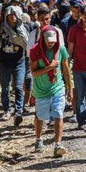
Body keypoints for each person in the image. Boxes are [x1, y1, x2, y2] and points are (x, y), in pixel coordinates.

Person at [30, 26, 72, 157]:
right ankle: (38, 139)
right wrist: (50, 67)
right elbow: (34, 73)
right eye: (49, 41)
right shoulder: (35, 51)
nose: (51, 43)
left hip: (57, 88)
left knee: (59, 114)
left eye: (53, 41)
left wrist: (70, 89)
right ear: (42, 38)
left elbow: (66, 70)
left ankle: (58, 145)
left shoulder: (61, 49)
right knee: (40, 116)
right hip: (41, 90)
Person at [0, 6, 29, 126]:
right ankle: (7, 110)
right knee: (5, 88)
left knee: (18, 87)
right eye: (10, 15)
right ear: (6, 16)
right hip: (4, 63)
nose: (12, 17)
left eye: (14, 14)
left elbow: (30, 46)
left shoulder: (24, 29)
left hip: (19, 62)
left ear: (18, 16)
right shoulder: (1, 28)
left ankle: (18, 112)